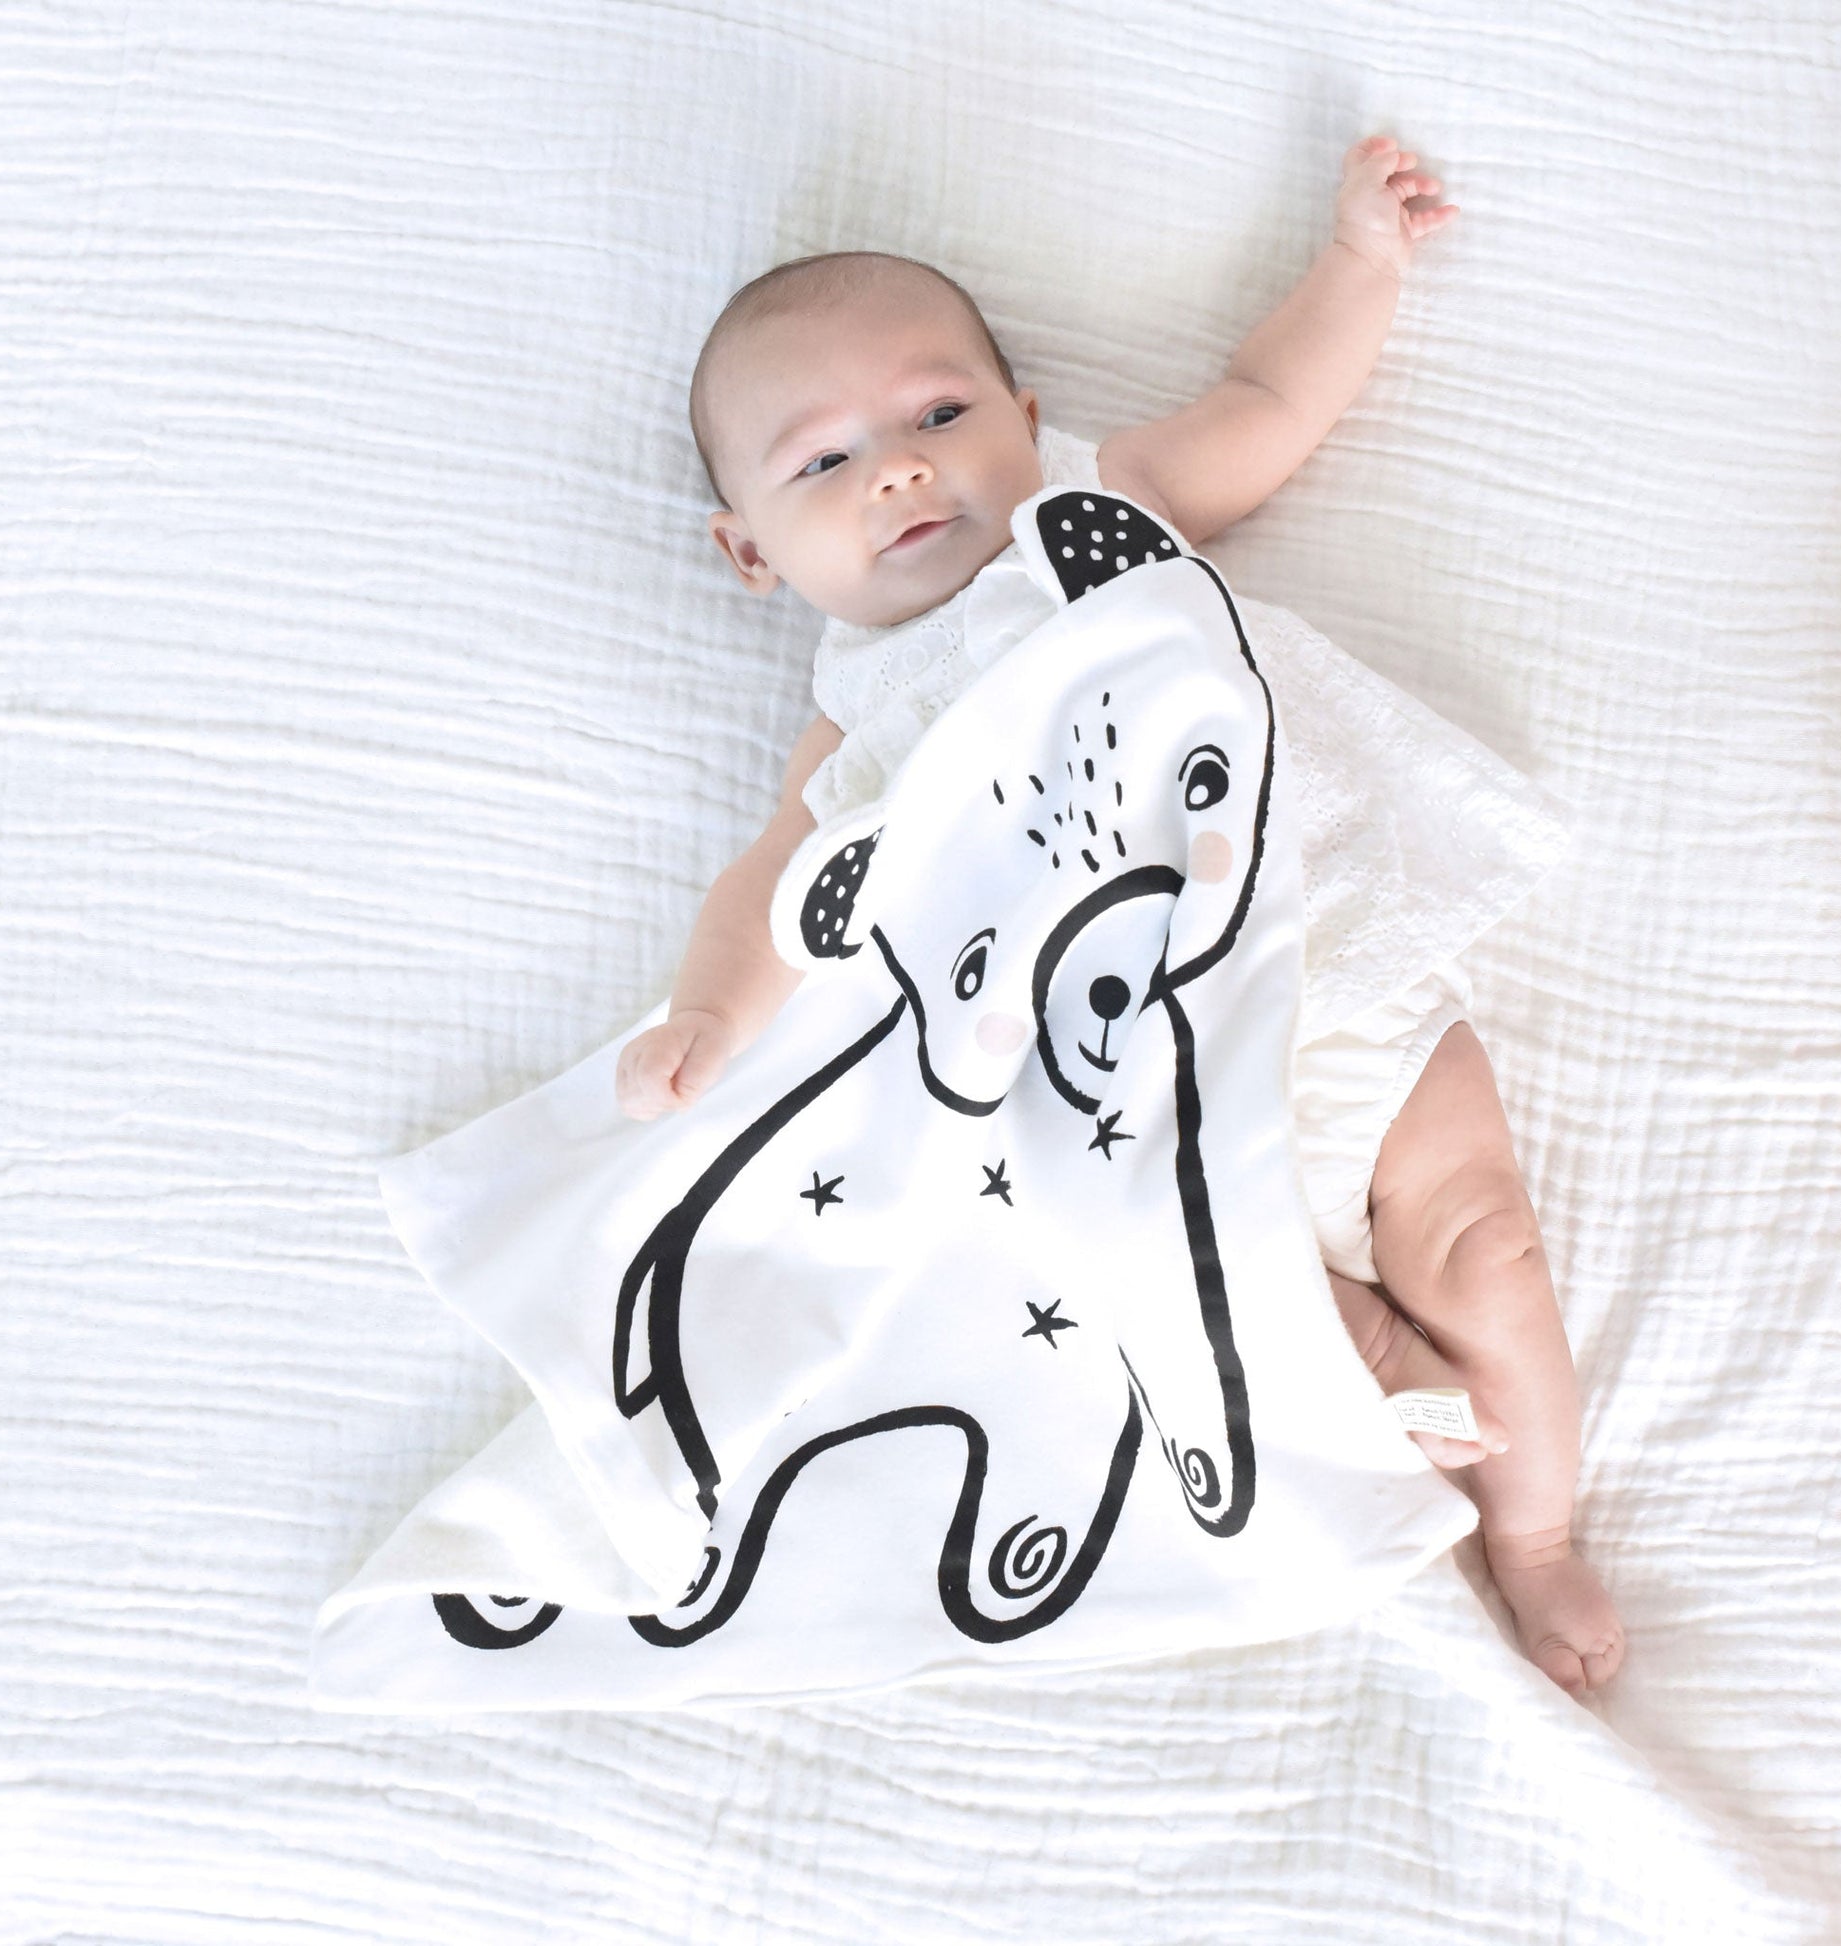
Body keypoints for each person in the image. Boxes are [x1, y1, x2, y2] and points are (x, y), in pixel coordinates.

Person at [615, 137, 1625, 1695]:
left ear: (1027, 423)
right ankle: (1347, 1334)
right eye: (820, 464)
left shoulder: (1099, 514)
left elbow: (1267, 407)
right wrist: (704, 1014)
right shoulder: (853, 728)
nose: (896, 467)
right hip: (1125, 1089)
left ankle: (1539, 1533)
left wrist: (1359, 260)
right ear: (749, 552)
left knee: (1484, 1235)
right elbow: (764, 888)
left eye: (939, 414)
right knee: (1159, 1280)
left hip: (1319, 953)